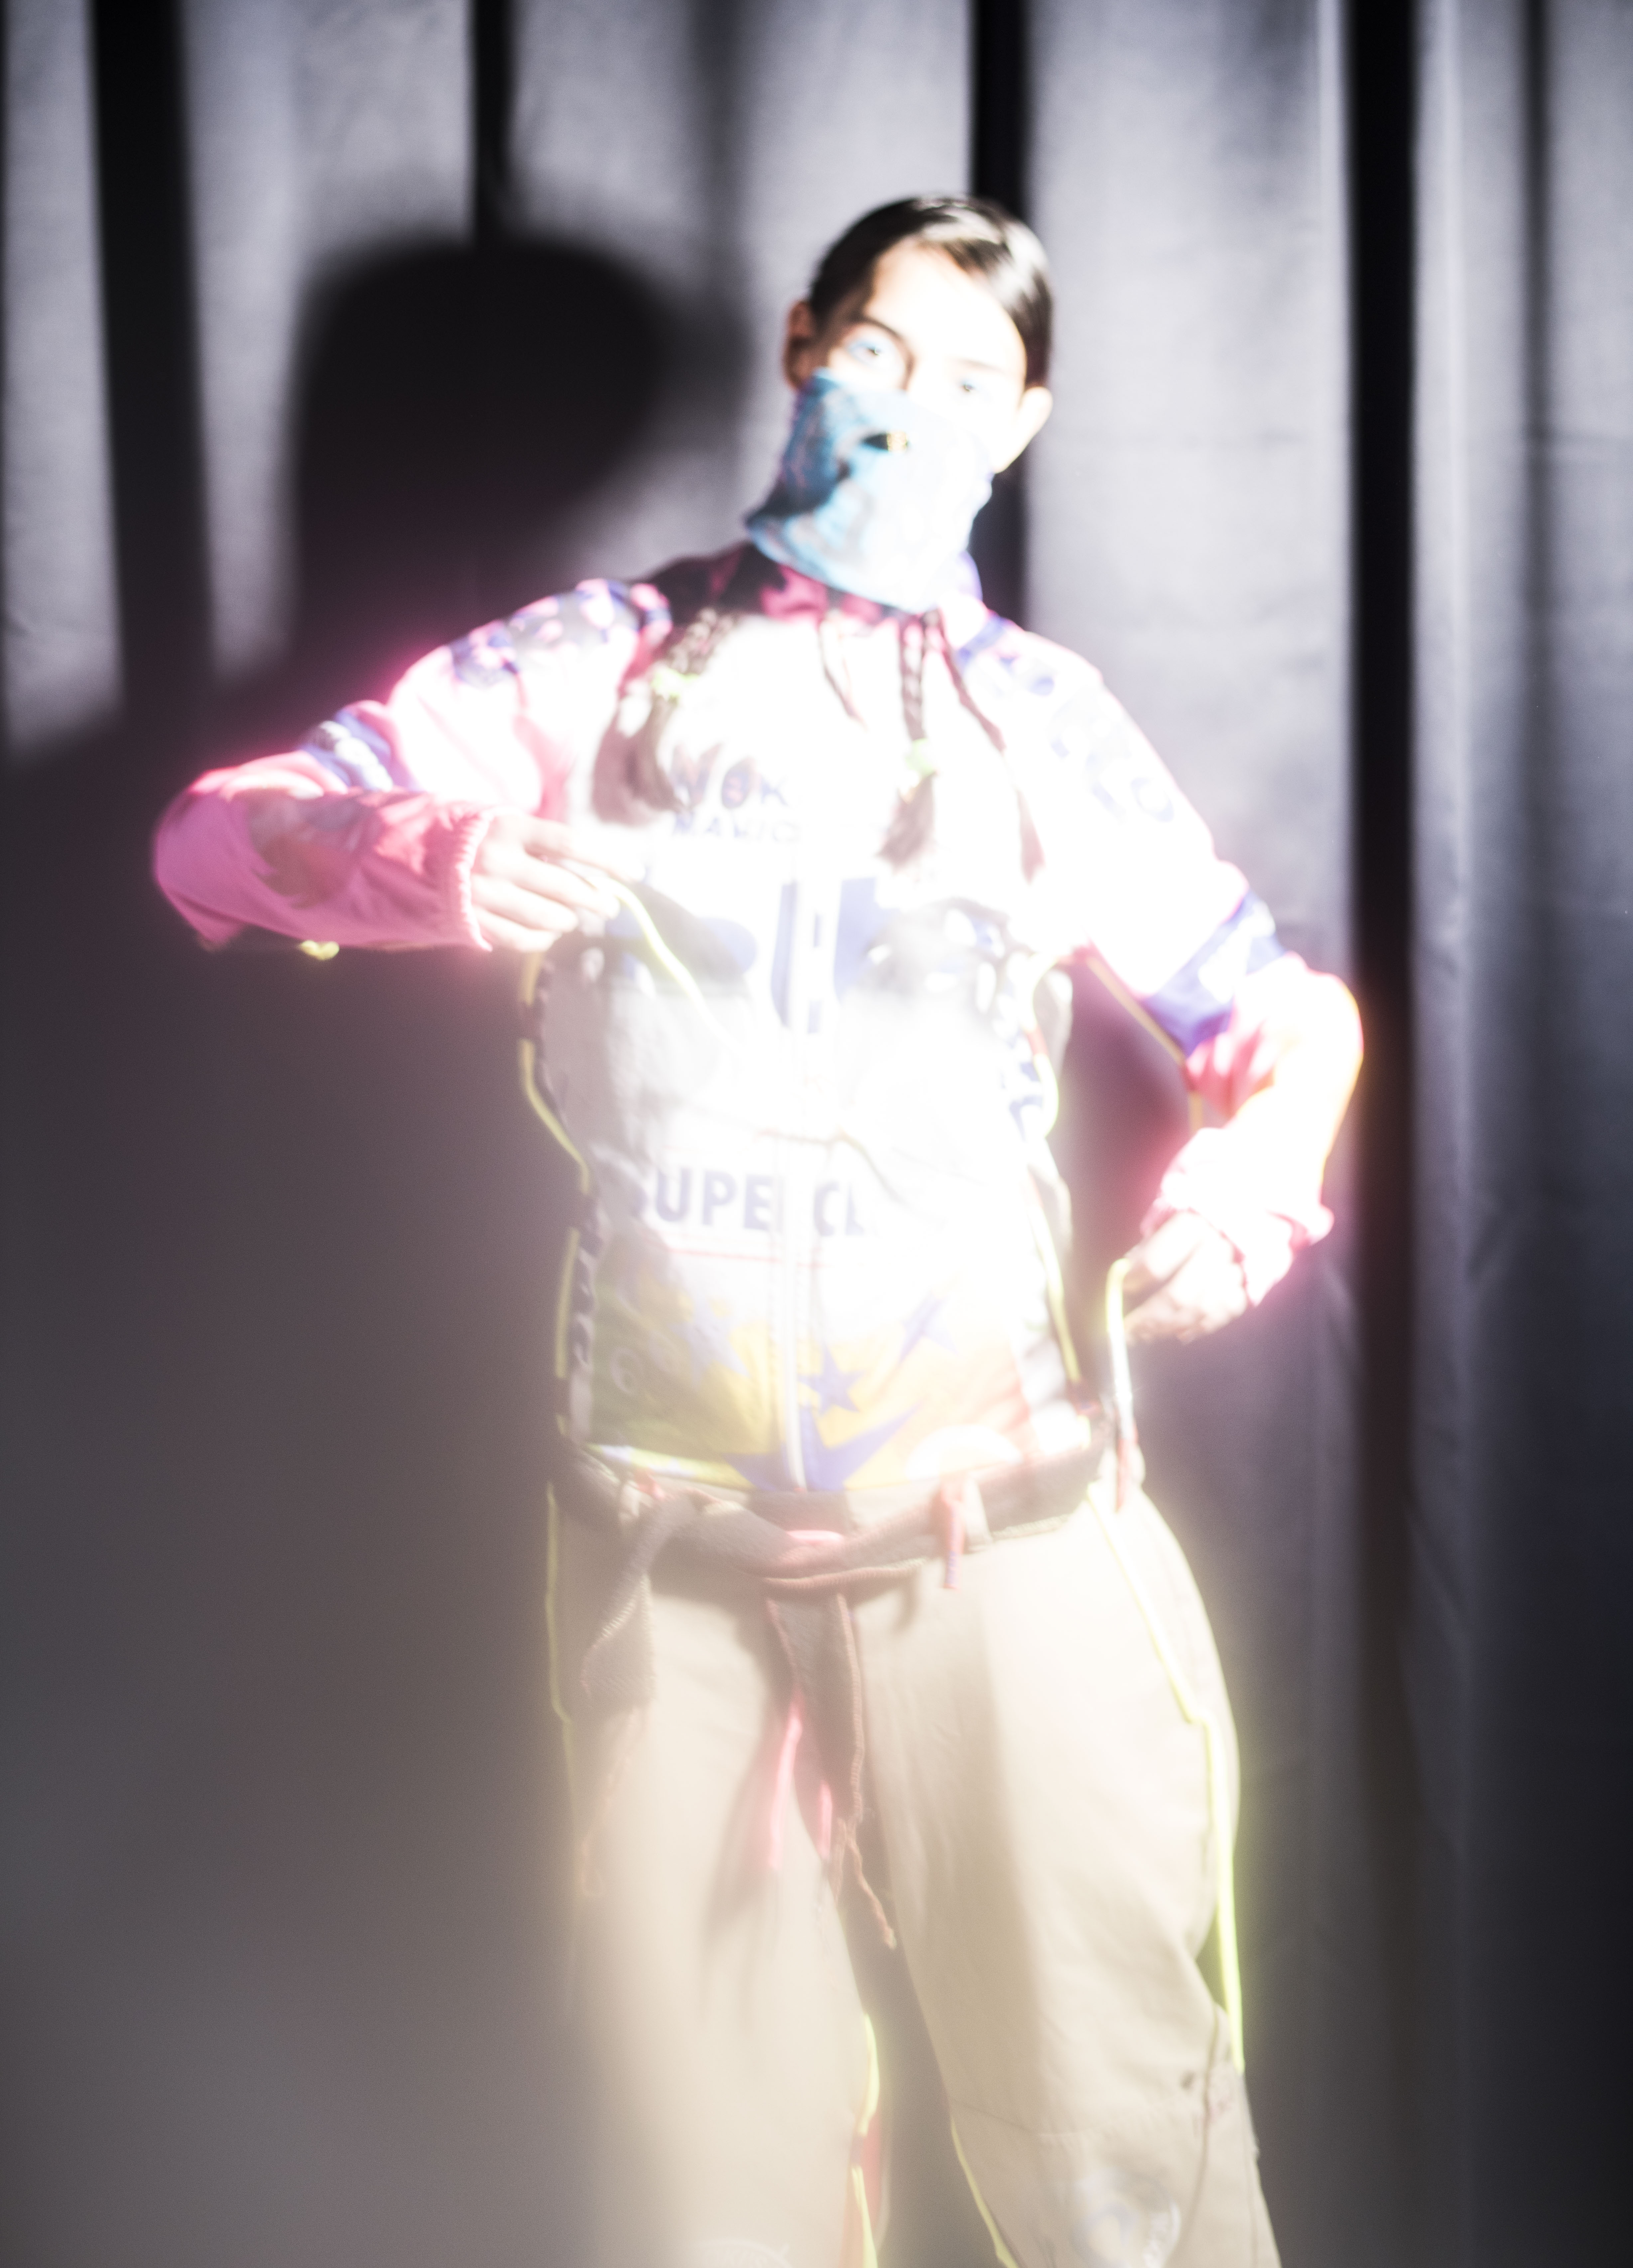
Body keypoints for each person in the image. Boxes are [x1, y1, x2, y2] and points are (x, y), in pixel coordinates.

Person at [155, 196, 1360, 2268]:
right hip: (673, 1569)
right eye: (876, 356)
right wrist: (420, 853)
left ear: (1026, 423)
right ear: (804, 344)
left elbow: (1280, 1015)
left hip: (997, 1549)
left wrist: (1250, 1185)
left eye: (968, 381)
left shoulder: (1037, 722)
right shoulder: (587, 666)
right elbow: (211, 839)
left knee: (1119, 2181)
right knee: (711, 2201)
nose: (907, 412)